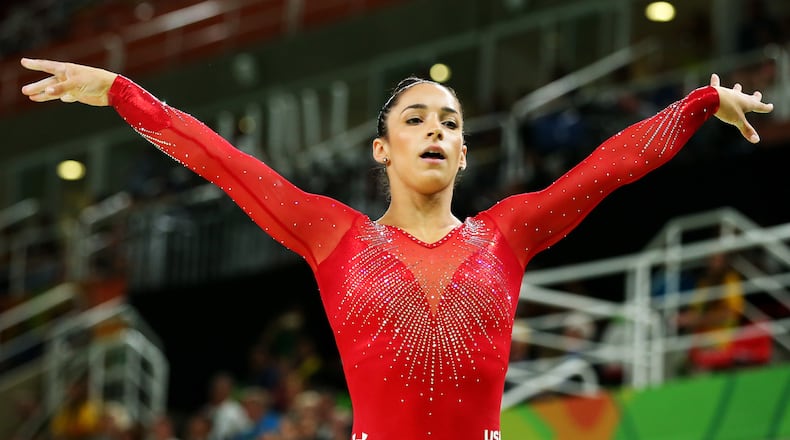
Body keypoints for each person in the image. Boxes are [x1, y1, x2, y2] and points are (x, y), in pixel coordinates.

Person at [19, 56, 773, 440]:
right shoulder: (333, 235)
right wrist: (122, 91)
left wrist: (702, 104)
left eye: (449, 122)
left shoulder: (506, 233)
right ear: (381, 150)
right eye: (416, 119)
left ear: (468, 154)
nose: (437, 131)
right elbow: (221, 159)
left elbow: (610, 166)